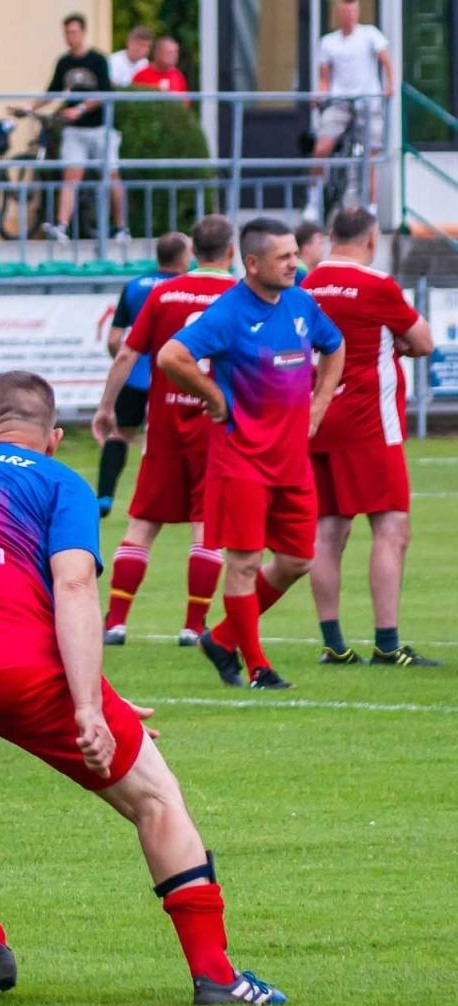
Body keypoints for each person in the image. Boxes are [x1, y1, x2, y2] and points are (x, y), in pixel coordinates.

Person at [0, 370, 287, 1006]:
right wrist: (89, 706)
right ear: (54, 439)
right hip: (24, 668)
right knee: (155, 798)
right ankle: (217, 977)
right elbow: (72, 587)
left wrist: (99, 691)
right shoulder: (58, 479)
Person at [157, 218, 346, 690]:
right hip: (239, 459)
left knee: (297, 560)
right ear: (253, 263)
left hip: (291, 461)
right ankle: (258, 666)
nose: (295, 264)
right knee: (242, 562)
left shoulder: (301, 302)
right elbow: (170, 357)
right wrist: (215, 398)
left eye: (295, 254)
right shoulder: (228, 312)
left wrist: (319, 403)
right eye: (284, 258)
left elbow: (336, 345)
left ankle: (221, 638)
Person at [300, 207, 441, 667]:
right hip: (369, 421)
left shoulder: (307, 284)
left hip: (316, 417)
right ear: (371, 239)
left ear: (330, 237)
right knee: (391, 526)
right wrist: (396, 344)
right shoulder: (376, 284)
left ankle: (333, 643)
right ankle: (387, 641)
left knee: (328, 530)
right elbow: (422, 342)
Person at [93, 216, 239, 647]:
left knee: (143, 521)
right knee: (207, 526)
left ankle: (116, 622)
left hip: (164, 426)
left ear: (194, 250)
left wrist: (107, 407)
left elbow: (125, 355)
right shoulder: (239, 296)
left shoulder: (163, 292)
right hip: (215, 426)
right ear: (231, 252)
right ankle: (193, 626)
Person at [95, 232, 192, 516]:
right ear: (183, 257)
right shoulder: (186, 287)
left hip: (135, 372)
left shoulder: (135, 285)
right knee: (175, 436)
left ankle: (104, 496)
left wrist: (125, 361)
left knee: (120, 433)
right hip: (176, 374)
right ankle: (177, 499)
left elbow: (114, 339)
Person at [30, 13, 128, 242]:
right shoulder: (64, 63)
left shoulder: (98, 60)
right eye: (66, 32)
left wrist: (80, 109)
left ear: (83, 33)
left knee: (112, 174)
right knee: (70, 176)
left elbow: (104, 93)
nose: (69, 37)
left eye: (74, 32)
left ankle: (122, 227)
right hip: (75, 130)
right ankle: (62, 226)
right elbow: (53, 91)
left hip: (99, 128)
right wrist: (30, 107)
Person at [307, 0, 393, 220]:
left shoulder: (370, 35)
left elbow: (385, 61)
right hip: (340, 102)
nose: (350, 14)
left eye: (353, 9)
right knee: (321, 148)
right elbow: (325, 78)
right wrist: (319, 94)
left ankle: (370, 208)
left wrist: (389, 86)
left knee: (371, 154)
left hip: (368, 103)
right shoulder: (328, 42)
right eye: (345, 10)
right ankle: (313, 199)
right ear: (338, 13)